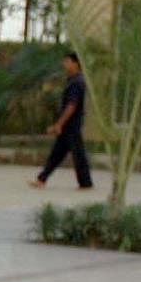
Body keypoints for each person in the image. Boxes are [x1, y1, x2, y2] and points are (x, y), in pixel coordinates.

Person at [30, 50, 93, 189]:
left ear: (75, 63)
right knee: (58, 154)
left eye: (67, 62)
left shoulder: (77, 82)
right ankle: (42, 178)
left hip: (72, 125)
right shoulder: (72, 81)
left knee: (77, 154)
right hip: (68, 125)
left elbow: (72, 105)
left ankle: (85, 183)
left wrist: (59, 124)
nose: (64, 64)